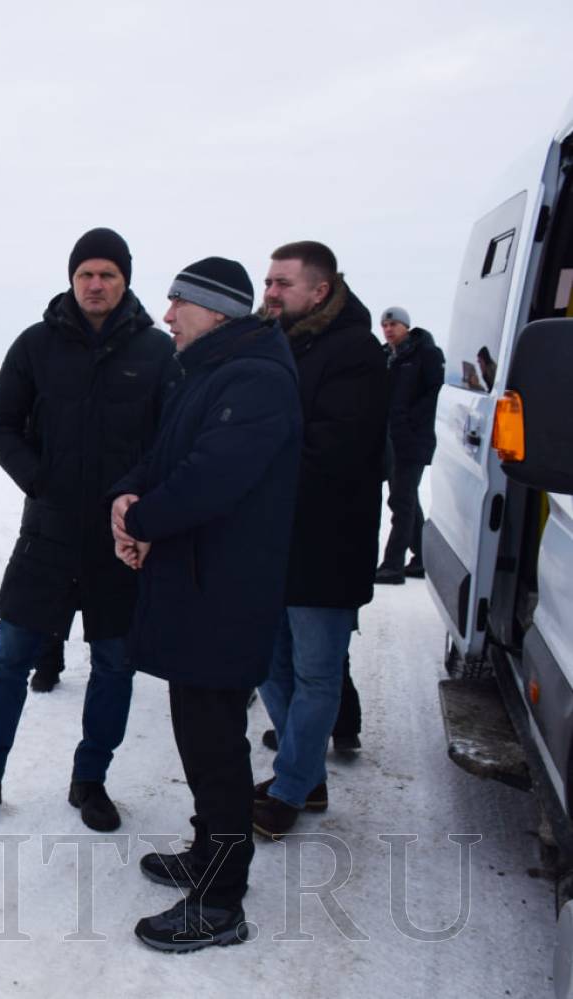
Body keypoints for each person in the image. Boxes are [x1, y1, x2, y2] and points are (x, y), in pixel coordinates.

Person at [0, 228, 174, 833]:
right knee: (9, 656)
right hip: (47, 533)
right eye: (85, 274)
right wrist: (39, 479)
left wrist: (142, 502)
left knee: (115, 663)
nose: (95, 284)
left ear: (125, 281)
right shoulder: (36, 345)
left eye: (108, 275)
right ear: (71, 279)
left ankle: (90, 780)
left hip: (120, 540)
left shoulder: (156, 352)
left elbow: (172, 439)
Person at [110, 257, 302, 952]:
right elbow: (164, 457)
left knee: (216, 745)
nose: (166, 316)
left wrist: (141, 520)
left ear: (216, 311)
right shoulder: (209, 371)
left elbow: (210, 478)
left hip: (225, 592)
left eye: (178, 303)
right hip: (196, 586)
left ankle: (220, 902)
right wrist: (127, 498)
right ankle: (205, 852)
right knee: (198, 734)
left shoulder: (256, 380)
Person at [253, 241, 388, 839]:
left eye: (282, 283)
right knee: (268, 663)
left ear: (320, 290)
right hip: (273, 541)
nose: (270, 293)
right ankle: (303, 777)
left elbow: (336, 449)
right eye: (268, 281)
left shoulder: (356, 352)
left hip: (328, 543)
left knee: (315, 673)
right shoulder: (274, 342)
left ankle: (289, 789)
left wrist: (251, 465)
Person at [374, 306, 445, 584]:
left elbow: (435, 392)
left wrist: (408, 421)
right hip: (391, 440)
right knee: (406, 499)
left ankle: (393, 565)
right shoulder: (386, 356)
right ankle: (422, 558)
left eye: (393, 324)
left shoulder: (426, 354)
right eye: (385, 325)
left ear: (406, 326)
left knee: (401, 501)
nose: (388, 329)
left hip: (413, 439)